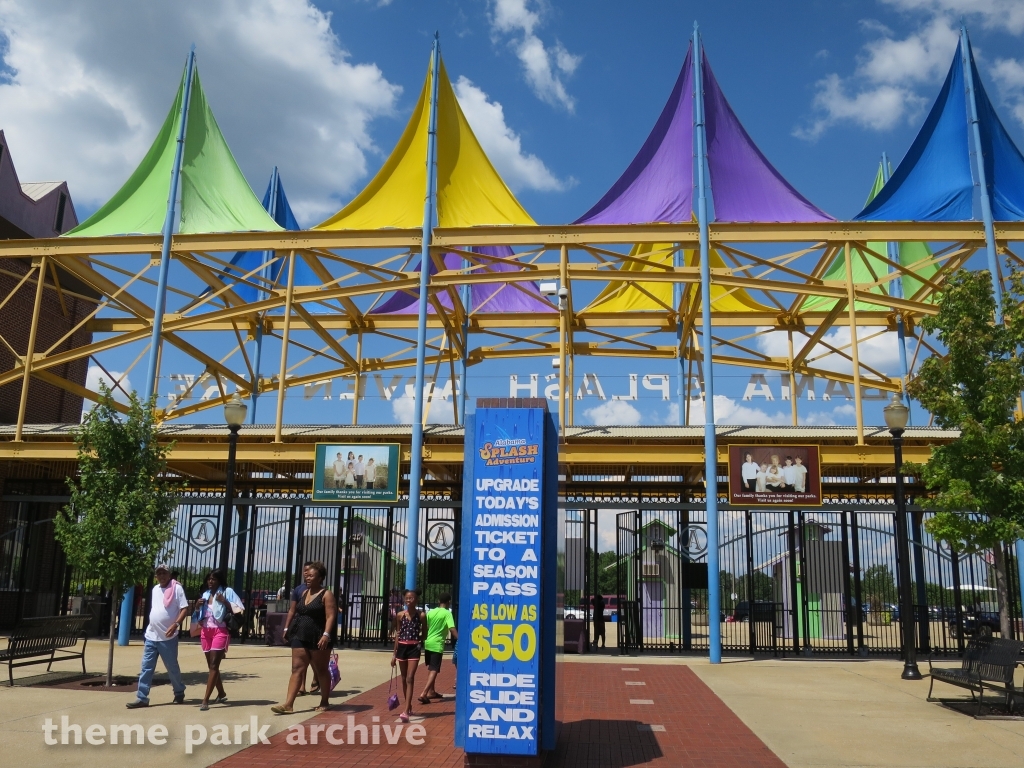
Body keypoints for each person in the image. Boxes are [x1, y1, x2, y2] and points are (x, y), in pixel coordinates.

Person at [272, 561, 337, 715]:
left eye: (311, 576)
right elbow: (295, 610)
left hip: (318, 636)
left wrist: (326, 635)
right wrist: (287, 628)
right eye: (307, 575)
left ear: (320, 578)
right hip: (300, 634)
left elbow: (331, 616)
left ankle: (324, 701)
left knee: (321, 670)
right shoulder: (303, 593)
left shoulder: (326, 594)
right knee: (296, 668)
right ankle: (288, 704)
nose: (307, 578)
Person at [126, 564, 189, 708]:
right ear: (156, 577)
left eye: (164, 573)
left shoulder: (177, 589)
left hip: (168, 637)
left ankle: (179, 691)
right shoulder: (155, 589)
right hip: (151, 635)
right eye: (159, 574)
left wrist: (176, 624)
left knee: (171, 667)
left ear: (169, 575)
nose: (162, 576)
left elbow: (184, 609)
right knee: (146, 667)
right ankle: (142, 697)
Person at [193, 569, 243, 711]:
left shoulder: (227, 591)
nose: (210, 581)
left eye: (214, 579)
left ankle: (205, 700)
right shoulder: (205, 594)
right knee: (211, 666)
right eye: (209, 579)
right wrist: (197, 607)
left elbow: (239, 608)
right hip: (206, 631)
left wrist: (225, 601)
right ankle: (221, 693)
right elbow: (199, 614)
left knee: (214, 665)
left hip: (220, 631)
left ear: (219, 580)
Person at [391, 589, 426, 723]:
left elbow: (425, 634)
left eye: (411, 598)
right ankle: (408, 705)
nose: (408, 600)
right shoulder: (400, 615)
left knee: (410, 678)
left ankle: (406, 711)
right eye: (406, 598)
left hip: (414, 648)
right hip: (402, 648)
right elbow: (398, 634)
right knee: (404, 678)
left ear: (416, 600)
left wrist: (416, 640)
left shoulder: (421, 615)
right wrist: (394, 654)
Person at [418, 593, 458, 704]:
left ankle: (431, 691)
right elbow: (451, 628)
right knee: (435, 669)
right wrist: (460, 639)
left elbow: (425, 627)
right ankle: (424, 693)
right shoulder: (447, 613)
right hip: (437, 644)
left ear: (438, 601)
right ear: (449, 602)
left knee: (431, 668)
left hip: (428, 642)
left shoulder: (431, 612)